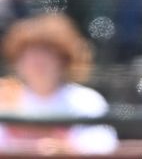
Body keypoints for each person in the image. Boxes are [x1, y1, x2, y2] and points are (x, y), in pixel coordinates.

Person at [0, 13, 118, 154]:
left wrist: (67, 149)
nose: (37, 61)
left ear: (63, 59)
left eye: (46, 53)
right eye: (28, 54)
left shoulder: (86, 100)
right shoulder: (5, 96)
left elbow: (105, 144)